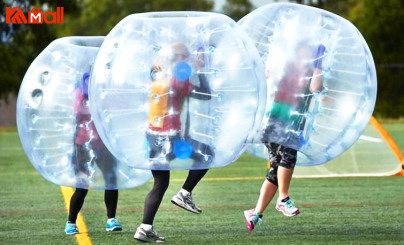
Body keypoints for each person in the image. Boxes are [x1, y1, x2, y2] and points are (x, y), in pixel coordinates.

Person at [134, 43, 213, 243]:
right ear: (178, 59)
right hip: (170, 138)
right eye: (185, 57)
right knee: (207, 154)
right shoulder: (178, 81)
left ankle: (145, 228)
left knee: (160, 183)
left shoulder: (155, 77)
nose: (188, 60)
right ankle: (185, 193)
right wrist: (201, 69)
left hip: (152, 137)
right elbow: (205, 94)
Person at [244, 43, 325, 231]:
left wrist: (318, 65)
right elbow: (268, 77)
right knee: (288, 157)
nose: (305, 61)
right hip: (276, 122)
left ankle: (255, 213)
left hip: (292, 126)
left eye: (309, 58)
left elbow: (315, 87)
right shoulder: (286, 70)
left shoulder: (311, 73)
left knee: (275, 171)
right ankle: (283, 198)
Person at [65, 73, 122, 235]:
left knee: (111, 180)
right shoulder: (80, 96)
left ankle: (111, 219)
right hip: (83, 144)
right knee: (82, 185)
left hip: (103, 144)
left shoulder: (104, 94)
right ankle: (71, 221)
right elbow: (75, 118)